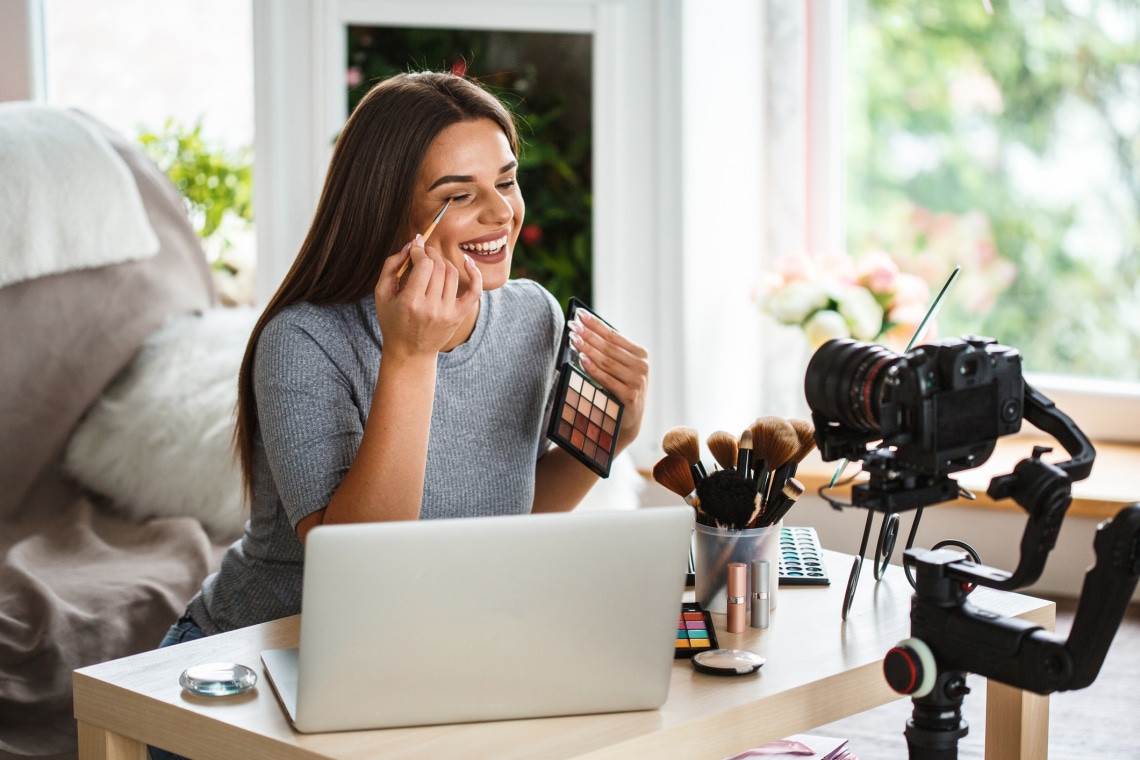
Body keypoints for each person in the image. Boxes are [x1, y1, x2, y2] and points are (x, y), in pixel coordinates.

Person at [156, 71, 649, 646]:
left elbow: (502, 526)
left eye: (506, 181)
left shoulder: (532, 318)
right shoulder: (303, 342)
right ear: (389, 213)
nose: (500, 213)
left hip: (418, 647)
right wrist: (411, 358)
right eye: (458, 195)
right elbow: (358, 567)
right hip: (267, 652)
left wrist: (605, 443)